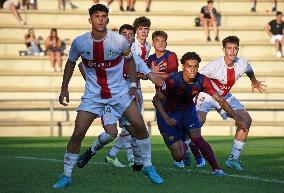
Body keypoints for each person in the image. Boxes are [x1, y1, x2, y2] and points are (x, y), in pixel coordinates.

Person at [52, 4, 163, 189]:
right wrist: (64, 88)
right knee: (78, 133)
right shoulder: (80, 42)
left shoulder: (119, 41)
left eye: (104, 16)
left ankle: (148, 166)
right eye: (96, 16)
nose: (101, 19)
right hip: (93, 95)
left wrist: (134, 85)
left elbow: (131, 61)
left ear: (108, 20)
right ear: (90, 20)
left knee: (140, 126)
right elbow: (71, 63)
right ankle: (66, 175)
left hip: (119, 93)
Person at [77, 24, 164, 168]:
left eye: (130, 35)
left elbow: (150, 76)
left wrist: (167, 86)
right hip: (109, 99)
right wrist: (93, 84)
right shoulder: (109, 52)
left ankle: (138, 163)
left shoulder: (135, 57)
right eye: (124, 34)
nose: (128, 37)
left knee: (135, 131)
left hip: (127, 100)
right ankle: (90, 152)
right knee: (111, 133)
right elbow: (82, 65)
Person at [153, 52, 247, 176]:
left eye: (195, 66)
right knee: (178, 156)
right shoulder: (173, 80)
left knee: (197, 138)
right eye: (189, 66)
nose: (192, 70)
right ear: (183, 67)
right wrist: (165, 117)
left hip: (187, 110)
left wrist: (236, 118)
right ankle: (185, 150)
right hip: (169, 113)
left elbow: (220, 100)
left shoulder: (202, 80)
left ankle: (217, 169)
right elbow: (156, 100)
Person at [195, 36, 267, 171]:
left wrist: (254, 81)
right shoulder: (213, 66)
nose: (232, 51)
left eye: (235, 48)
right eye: (229, 48)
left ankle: (233, 159)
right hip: (206, 94)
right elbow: (196, 78)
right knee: (198, 121)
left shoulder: (242, 64)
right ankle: (188, 148)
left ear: (238, 50)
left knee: (245, 120)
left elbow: (249, 71)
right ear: (224, 50)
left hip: (225, 96)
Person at [147, 30, 206, 168]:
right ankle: (182, 147)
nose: (160, 43)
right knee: (177, 155)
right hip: (162, 98)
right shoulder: (150, 59)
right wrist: (149, 73)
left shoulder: (171, 56)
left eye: (163, 41)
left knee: (184, 125)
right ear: (153, 43)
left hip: (177, 97)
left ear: (166, 43)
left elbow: (173, 76)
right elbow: (142, 73)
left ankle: (186, 144)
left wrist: (153, 73)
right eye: (157, 41)